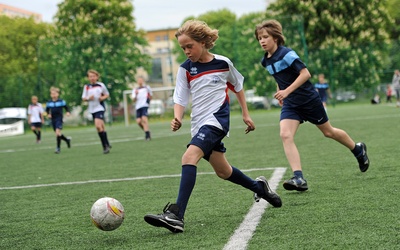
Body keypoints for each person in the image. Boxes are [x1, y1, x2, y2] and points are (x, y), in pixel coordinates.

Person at [144, 20, 282, 233]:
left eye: (189, 46)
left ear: (203, 42)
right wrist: (177, 117)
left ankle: (176, 215)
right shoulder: (185, 69)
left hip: (216, 122)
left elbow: (238, 86)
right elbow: (180, 96)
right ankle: (259, 188)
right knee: (223, 171)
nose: (186, 51)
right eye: (183, 48)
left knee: (188, 157)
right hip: (198, 125)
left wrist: (246, 113)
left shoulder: (223, 63)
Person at [255, 19, 370, 192]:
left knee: (328, 132)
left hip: (309, 100)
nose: (262, 41)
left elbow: (305, 74)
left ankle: (358, 150)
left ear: (276, 38)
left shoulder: (287, 54)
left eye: (265, 37)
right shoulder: (266, 61)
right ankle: (299, 178)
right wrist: (280, 92)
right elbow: (279, 78)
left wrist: (286, 91)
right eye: (259, 38)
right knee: (285, 135)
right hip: (291, 105)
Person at [82, 69, 112, 154]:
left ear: (97, 77)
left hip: (100, 108)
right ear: (88, 78)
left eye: (94, 76)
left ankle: (105, 146)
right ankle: (107, 143)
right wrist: (88, 98)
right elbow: (83, 98)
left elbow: (107, 94)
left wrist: (102, 98)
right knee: (101, 127)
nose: (92, 78)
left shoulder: (101, 85)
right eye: (90, 76)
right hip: (92, 109)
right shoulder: (86, 87)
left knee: (98, 126)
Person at [46, 87, 71, 154]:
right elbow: (47, 110)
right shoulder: (49, 102)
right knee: (58, 134)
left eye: (55, 93)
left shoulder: (61, 101)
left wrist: (68, 112)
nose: (53, 95)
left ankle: (58, 148)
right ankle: (67, 140)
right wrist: (48, 114)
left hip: (59, 118)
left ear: (58, 94)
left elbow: (66, 107)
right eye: (52, 94)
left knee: (57, 133)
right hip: (53, 119)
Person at [131, 76, 152, 140]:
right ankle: (147, 131)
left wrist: (148, 101)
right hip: (138, 107)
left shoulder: (147, 87)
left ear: (143, 81)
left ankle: (147, 136)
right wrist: (136, 94)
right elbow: (133, 100)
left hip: (144, 105)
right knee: (138, 122)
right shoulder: (135, 90)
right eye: (139, 80)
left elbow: (150, 96)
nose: (140, 81)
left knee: (144, 119)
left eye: (141, 80)